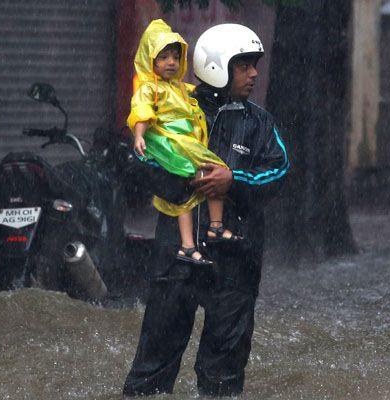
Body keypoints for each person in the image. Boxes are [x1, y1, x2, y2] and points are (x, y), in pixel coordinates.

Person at [123, 23, 289, 397]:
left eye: (254, 65)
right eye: (244, 65)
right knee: (150, 375)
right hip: (176, 261)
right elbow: (139, 161)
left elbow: (279, 173)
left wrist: (234, 181)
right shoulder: (172, 105)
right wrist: (184, 179)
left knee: (222, 379)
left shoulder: (261, 124)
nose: (254, 73)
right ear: (217, 66)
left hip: (236, 265)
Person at [128, 19, 242, 267]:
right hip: (171, 142)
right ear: (151, 60)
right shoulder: (150, 90)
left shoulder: (180, 88)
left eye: (175, 57)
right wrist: (139, 136)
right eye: (164, 57)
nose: (171, 63)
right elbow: (142, 112)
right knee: (213, 168)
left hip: (185, 142)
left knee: (187, 192)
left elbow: (200, 93)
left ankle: (192, 243)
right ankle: (212, 228)